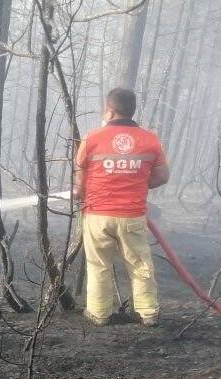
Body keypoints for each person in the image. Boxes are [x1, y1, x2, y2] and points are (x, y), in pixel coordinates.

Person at [72, 88, 170, 327]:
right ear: (132, 110)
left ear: (109, 110)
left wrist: (82, 192)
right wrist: (136, 182)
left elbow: (80, 178)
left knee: (98, 265)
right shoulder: (150, 139)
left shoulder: (92, 138)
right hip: (132, 215)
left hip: (97, 215)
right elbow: (162, 176)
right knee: (140, 265)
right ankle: (149, 313)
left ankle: (98, 313)